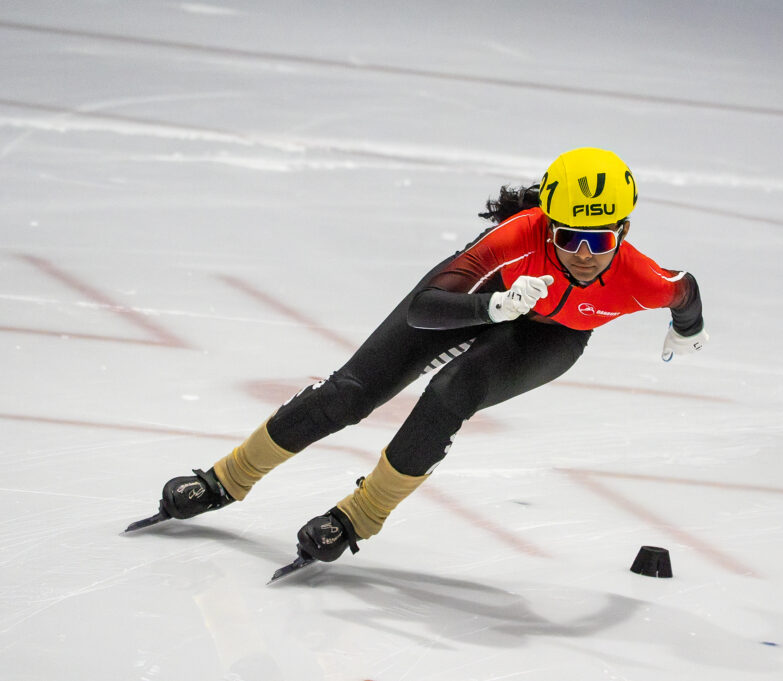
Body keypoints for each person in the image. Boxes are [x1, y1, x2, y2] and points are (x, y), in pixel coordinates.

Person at [146, 147, 709, 565]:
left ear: (624, 230)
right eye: (568, 238)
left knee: (449, 394)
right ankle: (226, 479)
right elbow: (424, 308)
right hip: (478, 300)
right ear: (546, 223)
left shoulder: (642, 279)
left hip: (553, 335)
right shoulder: (516, 238)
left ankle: (360, 516)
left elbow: (685, 292)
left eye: (601, 240)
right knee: (350, 394)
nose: (584, 255)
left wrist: (689, 330)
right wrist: (492, 306)